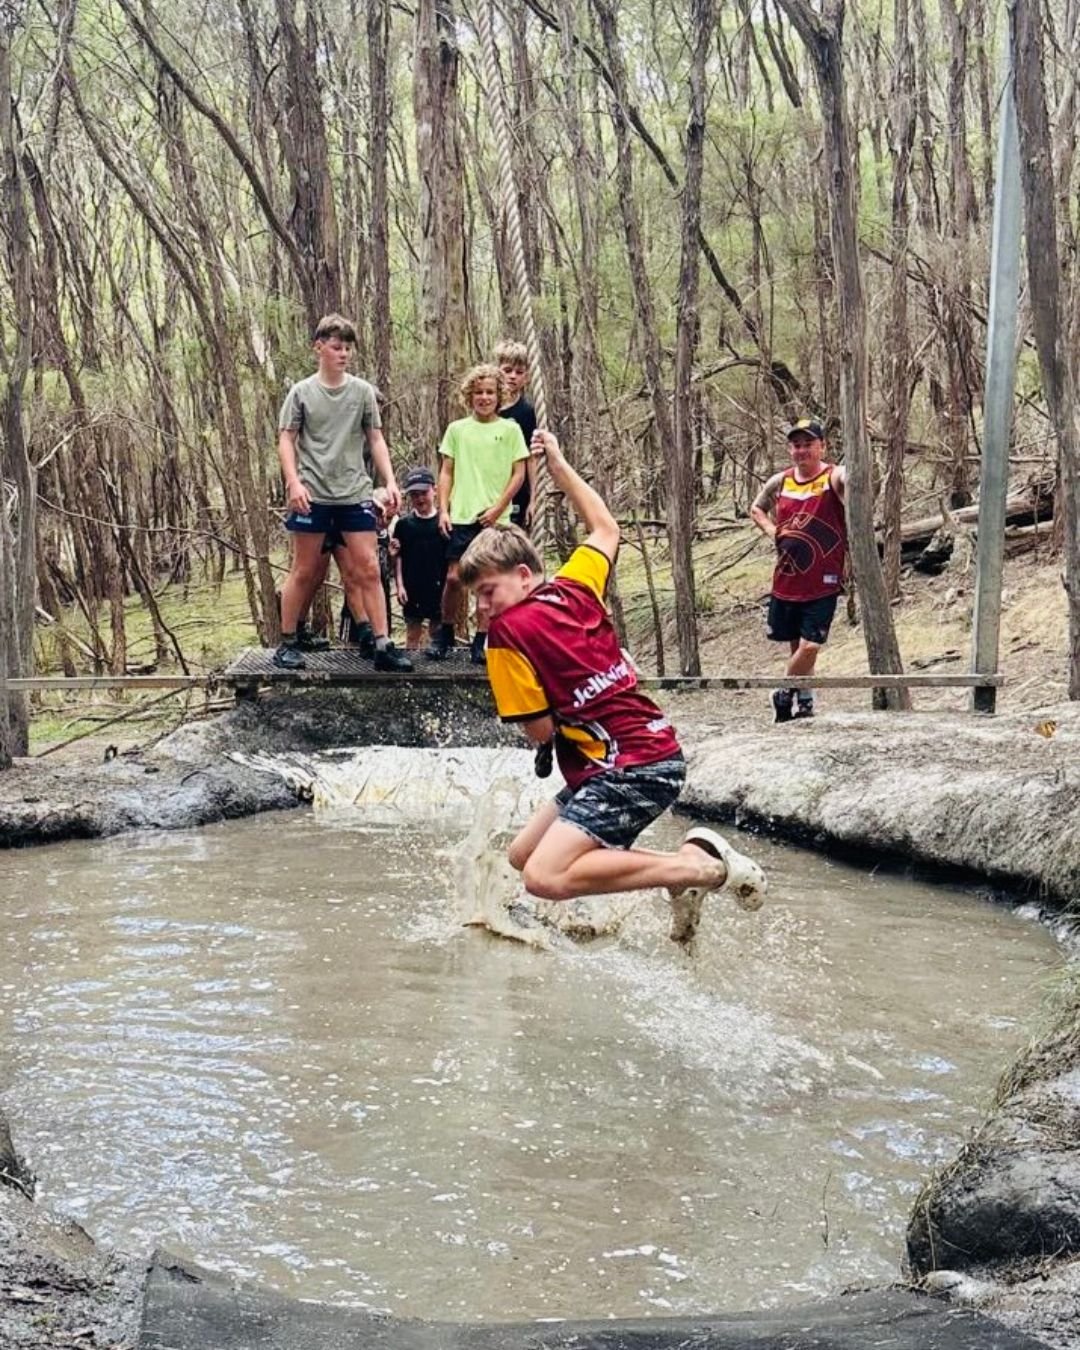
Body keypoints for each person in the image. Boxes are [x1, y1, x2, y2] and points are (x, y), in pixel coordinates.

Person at [458, 430, 767, 946]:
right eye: (477, 598)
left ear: (524, 576)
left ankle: (698, 869)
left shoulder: (505, 638)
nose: (483, 608)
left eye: (488, 592)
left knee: (543, 877)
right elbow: (605, 526)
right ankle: (603, 910)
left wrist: (542, 711)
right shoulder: (575, 584)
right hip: (652, 751)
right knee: (520, 857)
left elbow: (539, 733)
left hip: (628, 768)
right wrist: (558, 466)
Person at [275, 314, 411, 672]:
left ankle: (383, 644)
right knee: (305, 571)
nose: (343, 354)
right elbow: (287, 438)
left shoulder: (362, 392)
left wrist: (391, 480)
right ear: (318, 348)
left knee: (367, 567)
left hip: (354, 492)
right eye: (336, 347)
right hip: (313, 493)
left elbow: (375, 438)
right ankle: (287, 641)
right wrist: (293, 481)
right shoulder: (301, 392)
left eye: (348, 348)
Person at [427, 363, 529, 665]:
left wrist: (499, 507)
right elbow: (446, 472)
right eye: (479, 392)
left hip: (495, 521)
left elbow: (518, 473)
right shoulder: (457, 430)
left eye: (490, 392)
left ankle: (482, 639)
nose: (484, 398)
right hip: (462, 515)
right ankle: (444, 633)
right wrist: (443, 509)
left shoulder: (510, 429)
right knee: (454, 578)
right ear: (469, 395)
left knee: (489, 582)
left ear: (499, 396)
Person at [750, 417, 847, 723]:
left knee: (811, 643)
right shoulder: (781, 481)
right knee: (796, 641)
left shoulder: (834, 476)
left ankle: (782, 691)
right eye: (796, 445)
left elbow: (850, 480)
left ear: (822, 446)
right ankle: (804, 700)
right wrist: (773, 531)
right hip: (788, 577)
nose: (802, 450)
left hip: (824, 577)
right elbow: (756, 508)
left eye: (808, 444)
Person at [392, 467, 446, 651]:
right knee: (412, 631)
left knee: (437, 630)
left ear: (434, 491)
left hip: (438, 585)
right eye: (414, 495)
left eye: (424, 493)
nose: (420, 499)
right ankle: (411, 670)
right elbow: (398, 557)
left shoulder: (443, 522)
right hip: (412, 586)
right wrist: (399, 585)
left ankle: (435, 668)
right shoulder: (403, 525)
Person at [494, 339, 538, 531]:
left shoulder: (526, 412)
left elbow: (531, 457)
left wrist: (535, 499)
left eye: (519, 373)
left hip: (517, 492)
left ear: (526, 377)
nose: (512, 376)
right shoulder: (486, 407)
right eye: (507, 370)